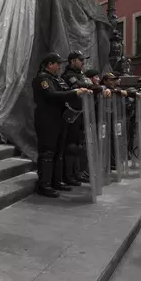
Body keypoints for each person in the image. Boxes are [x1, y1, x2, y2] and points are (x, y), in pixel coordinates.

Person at [32, 53, 91, 197]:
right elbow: (51, 95)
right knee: (48, 152)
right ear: (49, 64)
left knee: (59, 151)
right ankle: (44, 184)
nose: (59, 66)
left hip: (60, 119)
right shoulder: (42, 79)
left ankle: (55, 181)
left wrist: (78, 92)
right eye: (57, 64)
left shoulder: (56, 79)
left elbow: (64, 91)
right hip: (47, 119)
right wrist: (74, 93)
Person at [61, 50, 95, 185]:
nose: (83, 63)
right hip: (72, 114)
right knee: (71, 146)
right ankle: (69, 176)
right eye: (81, 60)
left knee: (79, 145)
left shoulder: (80, 75)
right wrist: (90, 85)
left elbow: (88, 84)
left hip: (81, 113)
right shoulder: (68, 75)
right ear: (73, 61)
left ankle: (78, 172)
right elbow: (79, 85)